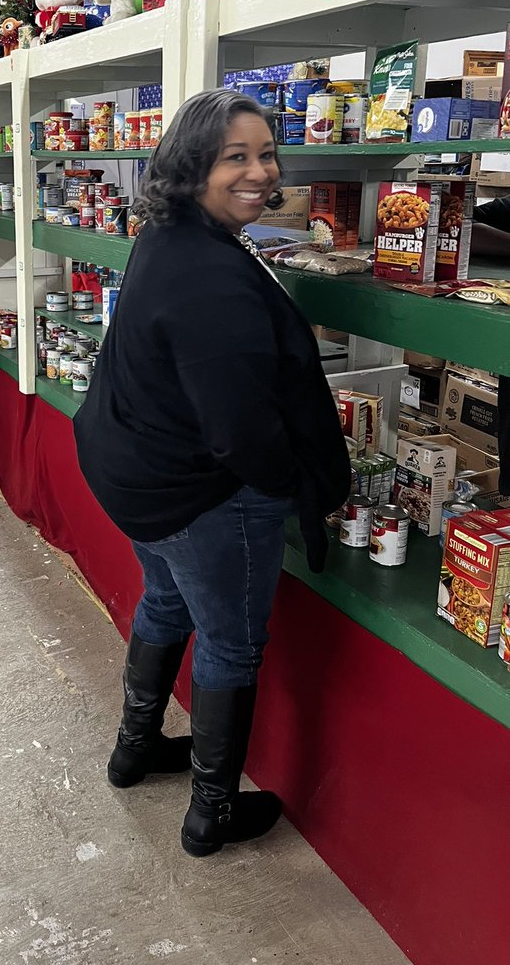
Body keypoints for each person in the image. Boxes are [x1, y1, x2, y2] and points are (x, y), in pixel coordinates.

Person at [73, 89, 350, 858]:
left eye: (266, 153)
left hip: (136, 478)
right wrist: (294, 484)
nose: (260, 171)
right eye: (237, 156)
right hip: (198, 495)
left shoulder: (169, 235)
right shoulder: (211, 275)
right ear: (194, 165)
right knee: (231, 644)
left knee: (165, 601)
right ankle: (211, 813)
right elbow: (240, 431)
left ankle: (135, 749)